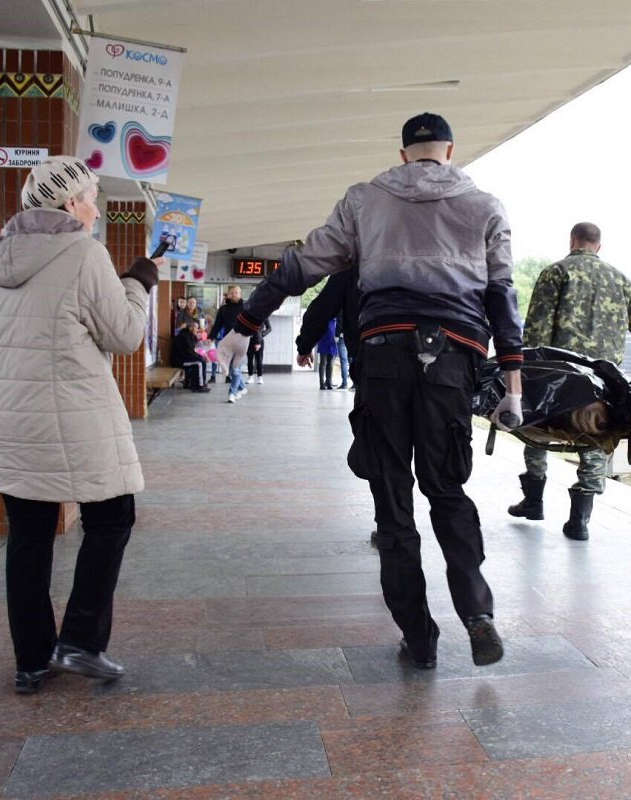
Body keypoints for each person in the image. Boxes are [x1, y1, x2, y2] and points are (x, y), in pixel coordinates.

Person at [219, 112, 524, 669]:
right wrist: (513, 381)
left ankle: (420, 638)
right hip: (451, 361)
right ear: (450, 150)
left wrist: (247, 322)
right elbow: (502, 296)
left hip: (383, 359)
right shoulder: (486, 206)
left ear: (404, 152)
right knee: (447, 489)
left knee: (393, 500)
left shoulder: (365, 200)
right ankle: (477, 613)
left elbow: (300, 266)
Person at [0, 155, 164, 695]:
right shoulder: (83, 253)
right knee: (112, 518)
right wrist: (140, 282)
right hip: (72, 416)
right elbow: (125, 335)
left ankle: (31, 659)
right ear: (67, 204)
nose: (97, 207)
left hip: (10, 421)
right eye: (91, 196)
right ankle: (80, 640)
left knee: (28, 538)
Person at [508, 222, 631, 540]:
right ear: (598, 246)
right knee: (596, 438)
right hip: (603, 379)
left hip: (562, 376)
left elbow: (537, 329)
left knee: (536, 429)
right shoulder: (620, 280)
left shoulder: (556, 272)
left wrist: (527, 372)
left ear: (572, 241)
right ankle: (580, 521)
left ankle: (533, 501)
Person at [211, 284, 247, 402]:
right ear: (228, 294)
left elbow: (255, 324)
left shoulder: (246, 307)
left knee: (235, 369)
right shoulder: (223, 309)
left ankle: (232, 393)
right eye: (232, 292)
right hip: (228, 342)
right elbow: (217, 325)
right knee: (230, 369)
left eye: (236, 292)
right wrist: (210, 338)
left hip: (242, 341)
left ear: (240, 294)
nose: (234, 294)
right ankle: (242, 387)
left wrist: (256, 341)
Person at [171, 321, 211, 392]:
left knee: (201, 361)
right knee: (199, 363)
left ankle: (194, 383)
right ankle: (199, 386)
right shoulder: (185, 337)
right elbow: (189, 353)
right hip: (179, 361)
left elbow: (192, 352)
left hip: (183, 359)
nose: (198, 330)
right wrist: (201, 358)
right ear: (190, 328)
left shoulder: (189, 336)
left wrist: (201, 357)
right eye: (196, 328)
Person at [245, 318, 271, 385]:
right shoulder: (249, 315)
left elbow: (269, 328)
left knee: (259, 359)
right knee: (249, 359)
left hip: (259, 340)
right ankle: (250, 376)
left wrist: (262, 334)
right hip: (249, 340)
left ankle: (260, 377)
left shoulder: (264, 315)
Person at [316, 319, 338, 390]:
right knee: (323, 362)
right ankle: (322, 383)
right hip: (323, 340)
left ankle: (328, 382)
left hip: (332, 341)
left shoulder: (335, 317)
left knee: (330, 363)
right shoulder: (323, 316)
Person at [335, 316, 351, 389]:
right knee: (351, 359)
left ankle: (344, 383)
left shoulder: (341, 309)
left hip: (342, 337)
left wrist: (336, 335)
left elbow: (339, 323)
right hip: (351, 336)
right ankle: (355, 383)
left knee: (344, 361)